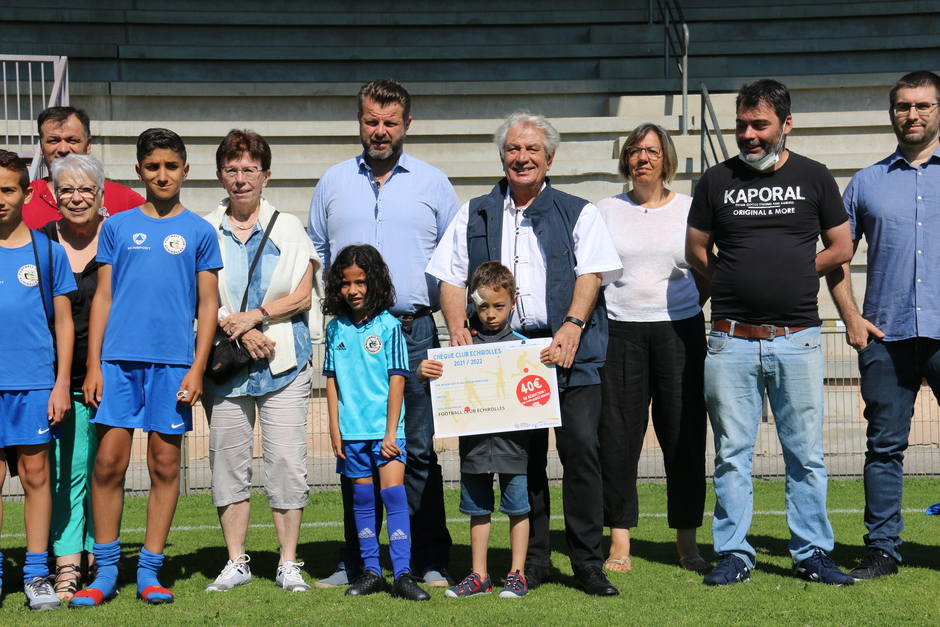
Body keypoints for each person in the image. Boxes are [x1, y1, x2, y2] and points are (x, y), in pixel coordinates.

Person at [427, 111, 623, 596]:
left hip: (568, 350)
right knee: (523, 462)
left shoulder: (580, 211)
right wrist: (456, 327)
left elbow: (592, 273)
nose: (522, 157)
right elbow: (450, 277)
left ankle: (586, 563)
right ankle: (530, 564)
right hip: (502, 356)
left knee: (581, 453)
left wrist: (573, 326)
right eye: (514, 149)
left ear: (549, 159)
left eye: (532, 150)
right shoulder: (473, 211)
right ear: (502, 156)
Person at [685, 79, 855, 586]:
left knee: (805, 455)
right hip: (730, 339)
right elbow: (696, 249)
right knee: (732, 455)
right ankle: (734, 553)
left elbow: (842, 246)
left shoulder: (815, 176)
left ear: (786, 124)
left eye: (760, 125)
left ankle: (811, 552)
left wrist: (802, 274)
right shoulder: (716, 180)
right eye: (742, 125)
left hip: (798, 338)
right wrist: (731, 279)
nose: (749, 135)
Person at [308, 79, 459, 588]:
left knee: (415, 449)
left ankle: (429, 557)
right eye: (371, 120)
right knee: (357, 447)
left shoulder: (434, 183)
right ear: (359, 121)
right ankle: (358, 561)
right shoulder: (331, 182)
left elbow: (452, 262)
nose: (380, 130)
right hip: (351, 335)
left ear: (407, 124)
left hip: (414, 330)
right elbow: (320, 256)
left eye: (390, 122)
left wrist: (455, 326)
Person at [70, 128, 222, 607]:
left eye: (170, 166)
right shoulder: (115, 227)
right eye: (152, 166)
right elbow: (104, 299)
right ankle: (106, 571)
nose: (162, 174)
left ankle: (151, 571)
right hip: (117, 365)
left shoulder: (199, 231)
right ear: (139, 172)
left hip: (173, 367)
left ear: (185, 171)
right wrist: (93, 364)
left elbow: (209, 305)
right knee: (108, 464)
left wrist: (196, 369)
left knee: (164, 464)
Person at [826, 71, 940, 580]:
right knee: (884, 447)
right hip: (885, 335)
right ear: (890, 112)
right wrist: (851, 315)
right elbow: (835, 256)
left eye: (922, 105)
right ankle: (883, 550)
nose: (911, 115)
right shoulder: (867, 182)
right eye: (902, 106)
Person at [201, 130, 321, 592]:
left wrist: (255, 317)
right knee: (228, 463)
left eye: (250, 169)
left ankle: (288, 562)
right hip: (227, 366)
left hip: (283, 364)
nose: (240, 178)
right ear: (219, 176)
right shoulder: (203, 228)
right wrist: (241, 329)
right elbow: (200, 297)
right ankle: (237, 562)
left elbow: (302, 294)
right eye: (231, 169)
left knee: (287, 462)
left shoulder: (289, 227)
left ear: (266, 175)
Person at [596, 124, 709, 574]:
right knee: (618, 438)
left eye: (652, 151)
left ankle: (687, 542)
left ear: (667, 158)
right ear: (626, 159)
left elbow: (706, 268)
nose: (643, 158)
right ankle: (620, 541)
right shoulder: (605, 210)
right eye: (635, 151)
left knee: (684, 436)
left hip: (679, 334)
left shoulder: (690, 208)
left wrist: (683, 308)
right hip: (620, 332)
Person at [322, 244, 430, 602]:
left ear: (375, 282)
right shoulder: (335, 329)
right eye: (345, 283)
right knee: (362, 502)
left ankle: (402, 574)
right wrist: (335, 430)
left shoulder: (389, 327)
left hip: (386, 434)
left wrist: (390, 431)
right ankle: (371, 572)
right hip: (351, 434)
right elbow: (332, 382)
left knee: (394, 497)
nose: (353, 290)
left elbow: (398, 380)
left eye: (361, 282)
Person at [418, 262, 530, 599]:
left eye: (499, 306)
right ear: (472, 305)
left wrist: (547, 364)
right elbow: (438, 388)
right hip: (475, 446)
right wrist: (426, 373)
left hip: (515, 447)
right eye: (483, 306)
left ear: (513, 301)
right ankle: (478, 575)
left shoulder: (528, 349)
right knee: (477, 511)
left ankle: (517, 575)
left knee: (518, 509)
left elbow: (541, 392)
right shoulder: (460, 347)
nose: (491, 314)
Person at [0, 149, 75, 611]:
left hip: (32, 385)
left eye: (7, 189)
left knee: (35, 476)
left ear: (27, 193)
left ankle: (35, 574)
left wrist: (62, 382)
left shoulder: (47, 251)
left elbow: (64, 324)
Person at [37, 154, 109, 601]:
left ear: (101, 194)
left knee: (103, 470)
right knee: (67, 471)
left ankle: (97, 554)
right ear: (52, 195)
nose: (76, 197)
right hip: (58, 379)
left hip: (112, 374)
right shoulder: (40, 243)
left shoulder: (119, 238)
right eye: (67, 189)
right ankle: (67, 562)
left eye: (86, 189)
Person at [24, 106, 144, 229]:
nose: (63, 149)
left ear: (88, 145)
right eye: (53, 141)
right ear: (41, 146)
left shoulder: (123, 198)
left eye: (72, 140)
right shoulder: (23, 199)